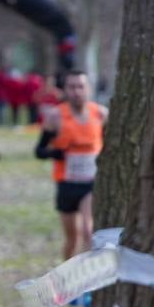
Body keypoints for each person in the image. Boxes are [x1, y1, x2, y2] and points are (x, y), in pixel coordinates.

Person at [36, 70, 106, 268]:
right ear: (65, 90)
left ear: (88, 89)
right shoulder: (55, 116)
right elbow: (39, 151)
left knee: (88, 230)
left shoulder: (100, 114)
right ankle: (67, 277)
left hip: (91, 184)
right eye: (72, 87)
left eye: (81, 87)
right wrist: (56, 154)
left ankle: (87, 281)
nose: (77, 92)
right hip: (66, 183)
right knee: (72, 240)